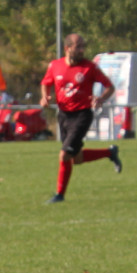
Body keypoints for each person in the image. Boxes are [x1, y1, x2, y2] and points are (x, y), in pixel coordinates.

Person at [40, 33, 122, 203]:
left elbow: (110, 87)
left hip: (81, 115)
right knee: (76, 159)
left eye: (83, 46)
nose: (82, 50)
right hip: (63, 115)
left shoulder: (89, 67)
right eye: (78, 47)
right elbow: (46, 83)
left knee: (64, 155)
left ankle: (59, 195)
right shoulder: (55, 66)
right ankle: (110, 152)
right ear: (67, 48)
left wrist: (101, 98)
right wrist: (45, 96)